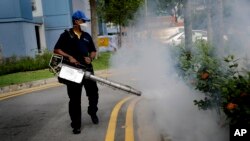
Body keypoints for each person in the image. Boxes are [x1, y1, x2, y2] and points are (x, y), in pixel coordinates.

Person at [54, 10, 99, 134]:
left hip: (88, 69)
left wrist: (91, 58)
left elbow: (93, 50)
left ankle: (93, 112)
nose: (85, 23)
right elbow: (56, 50)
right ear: (76, 21)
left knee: (93, 94)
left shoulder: (87, 36)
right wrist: (69, 57)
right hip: (72, 71)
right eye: (83, 20)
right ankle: (76, 125)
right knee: (74, 99)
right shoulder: (65, 35)